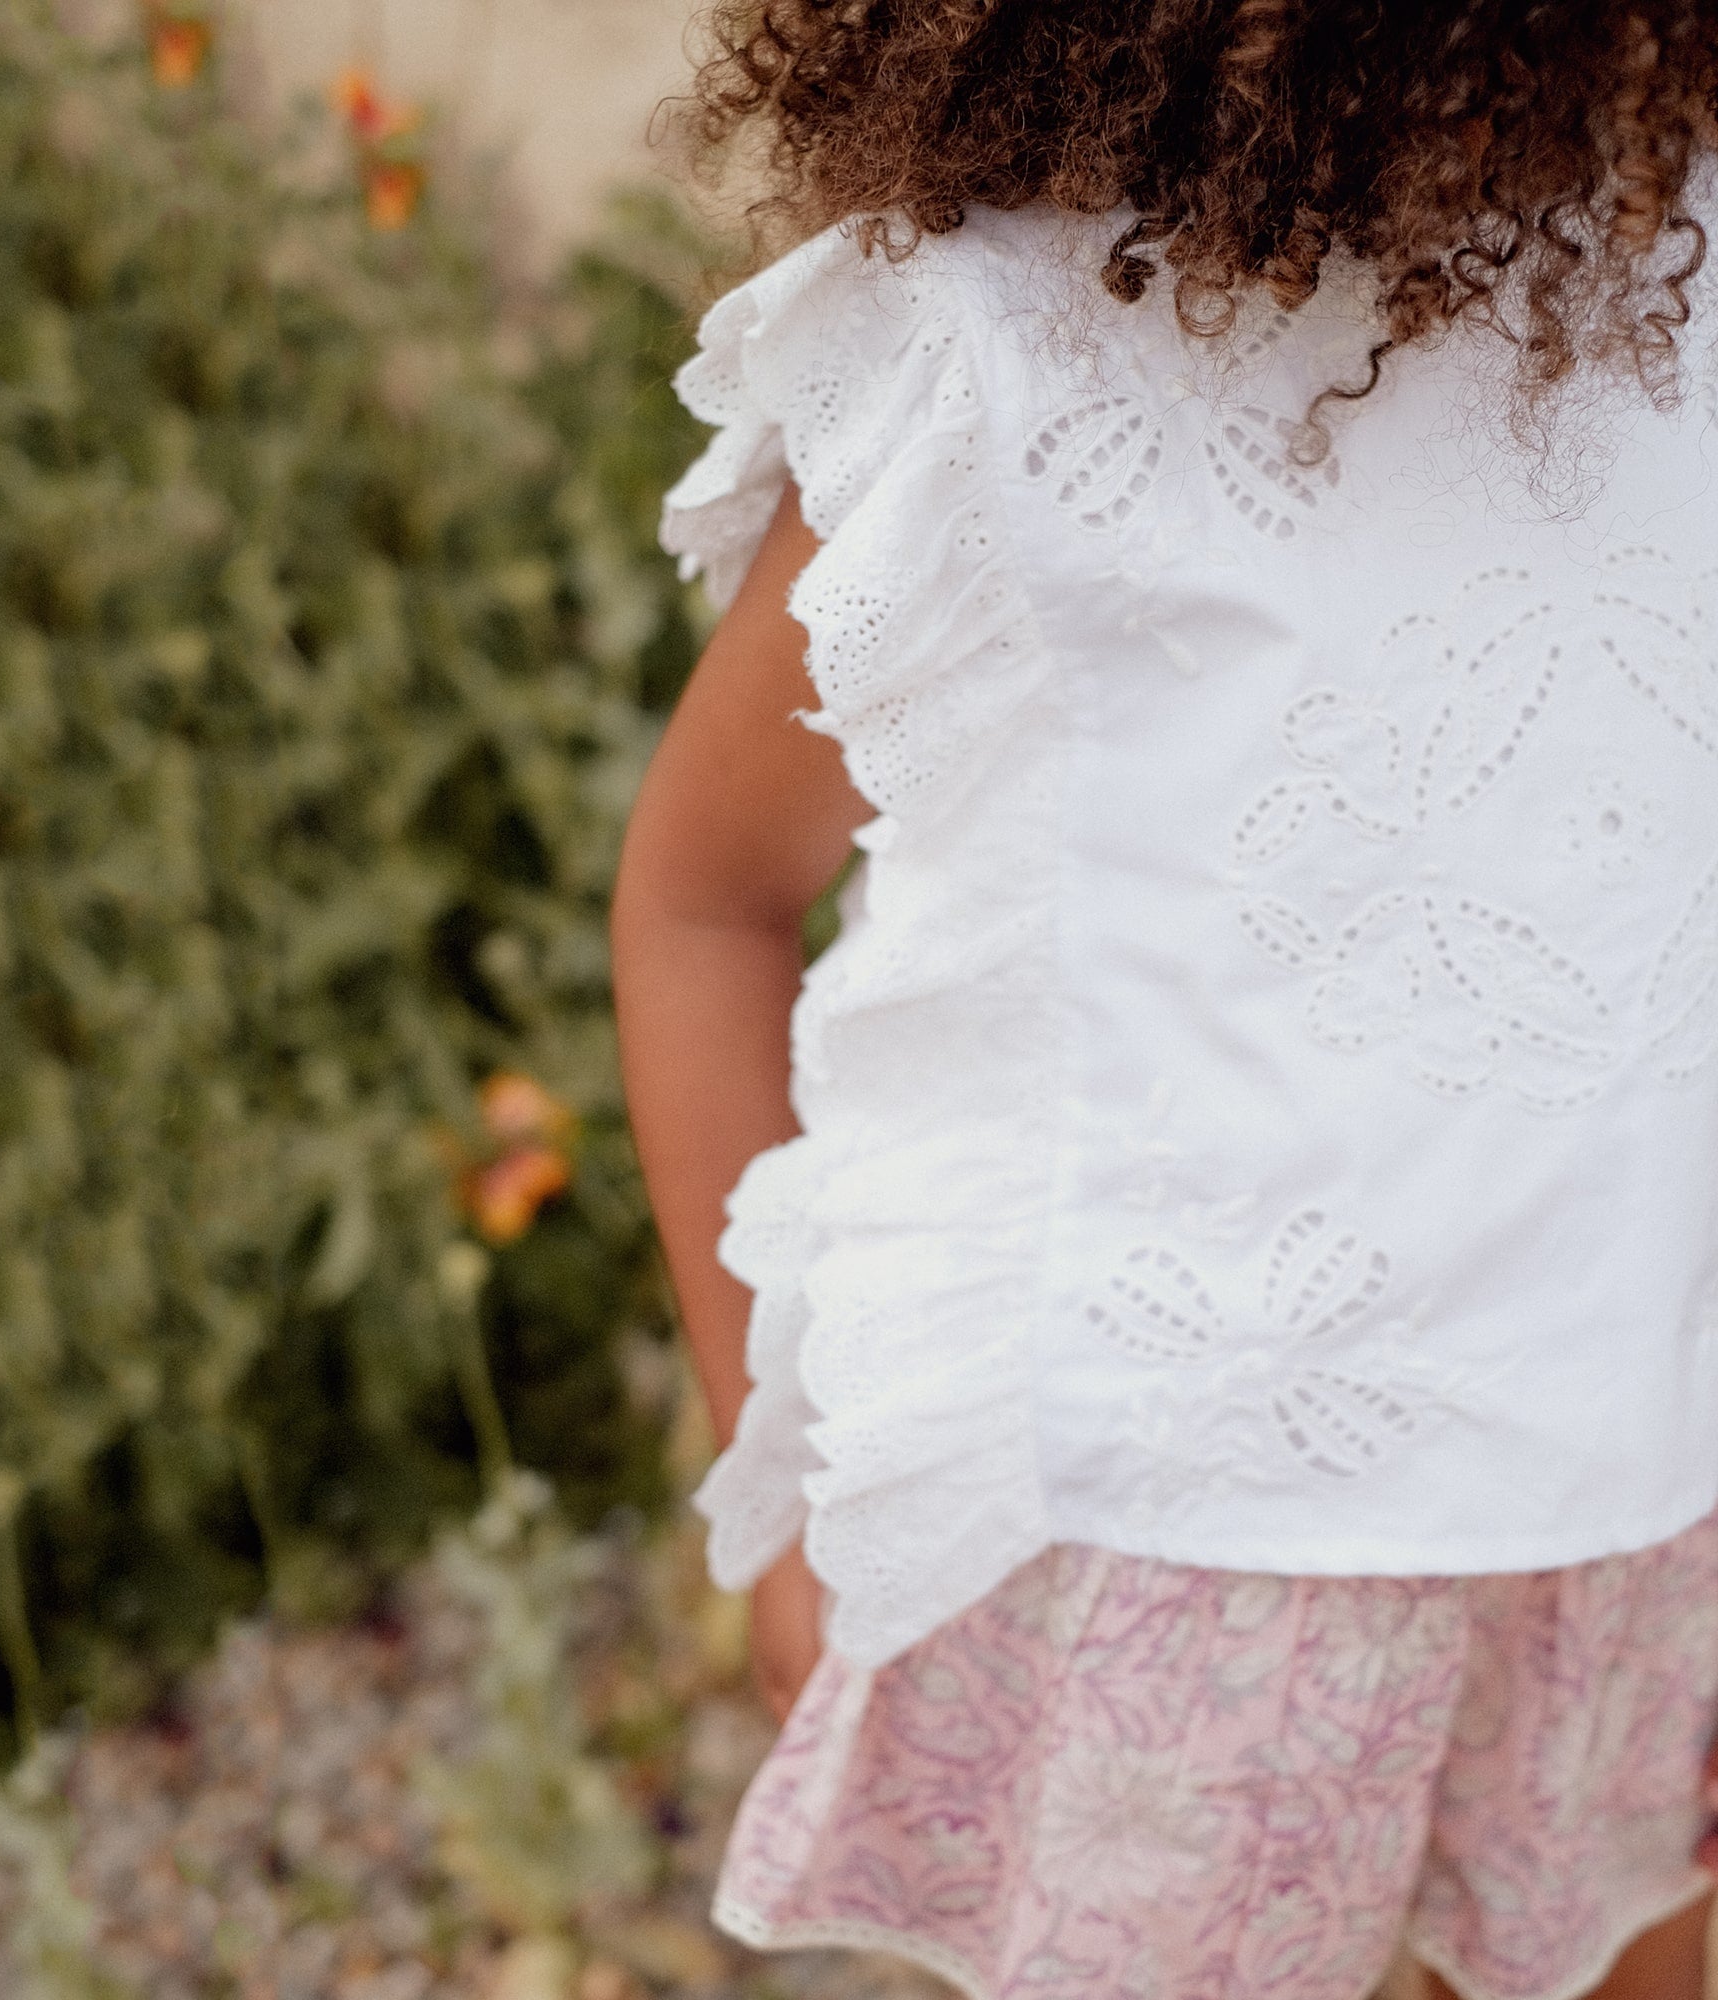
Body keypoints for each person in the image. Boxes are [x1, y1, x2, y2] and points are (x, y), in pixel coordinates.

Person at [609, 6, 1718, 1997]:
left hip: (1637, 1514)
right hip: (1169, 1570)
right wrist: (785, 1515)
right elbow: (705, 898)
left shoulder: (1682, 284)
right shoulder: (995, 349)